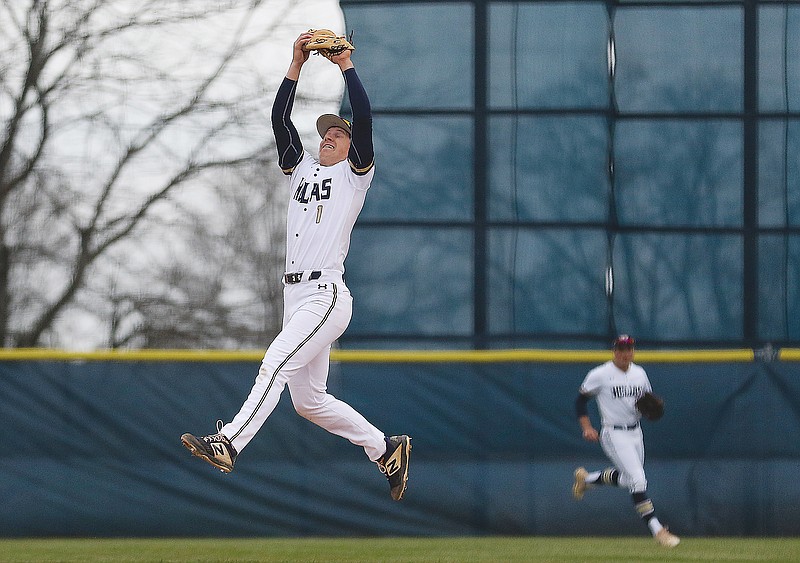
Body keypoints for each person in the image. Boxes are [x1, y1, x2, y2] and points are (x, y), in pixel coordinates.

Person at [181, 31, 411, 501]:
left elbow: (363, 119)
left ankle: (229, 441)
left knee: (275, 363)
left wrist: (346, 66)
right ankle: (384, 447)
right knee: (309, 402)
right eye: (326, 132)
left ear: (352, 148)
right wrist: (296, 63)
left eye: (338, 134)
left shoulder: (354, 176)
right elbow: (278, 119)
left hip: (325, 295)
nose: (330, 137)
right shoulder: (303, 168)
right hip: (294, 296)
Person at [572, 335, 680, 547]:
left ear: (633, 351)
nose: (625, 353)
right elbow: (580, 402)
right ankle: (658, 530)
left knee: (628, 480)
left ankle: (586, 480)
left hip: (635, 433)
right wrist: (586, 428)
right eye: (621, 349)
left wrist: (651, 407)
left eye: (629, 349)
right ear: (614, 351)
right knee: (638, 480)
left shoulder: (639, 373)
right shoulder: (600, 374)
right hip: (614, 433)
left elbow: (646, 399)